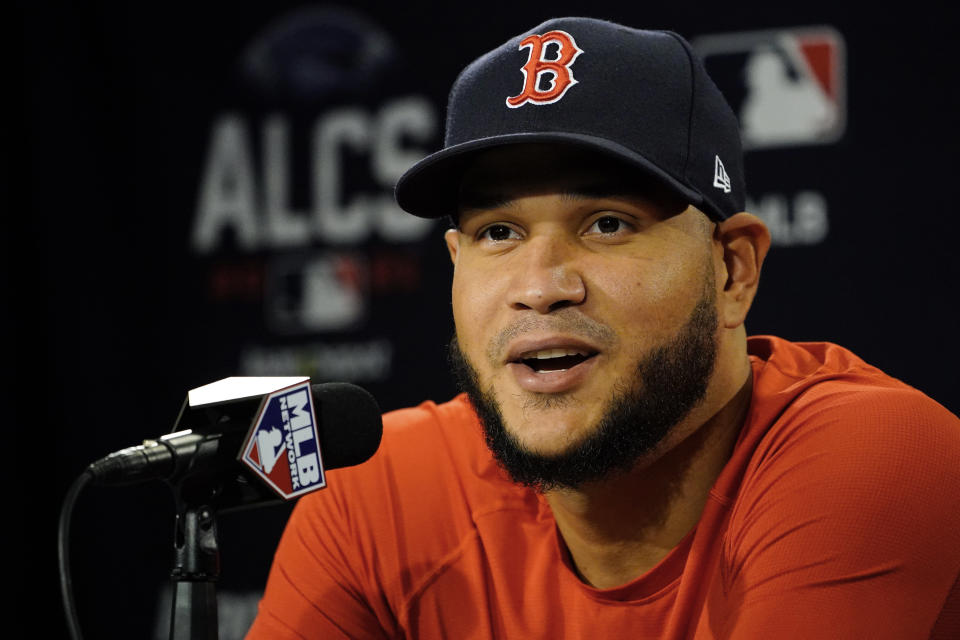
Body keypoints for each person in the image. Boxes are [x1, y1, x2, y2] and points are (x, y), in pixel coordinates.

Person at [246, 17, 960, 639]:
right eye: (499, 232)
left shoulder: (872, 455)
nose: (540, 286)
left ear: (734, 271)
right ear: (456, 265)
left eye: (608, 224)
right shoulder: (382, 494)